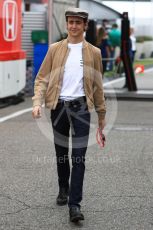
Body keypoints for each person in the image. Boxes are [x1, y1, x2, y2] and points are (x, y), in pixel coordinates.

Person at [32, 7, 106, 222]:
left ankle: (75, 205)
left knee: (79, 158)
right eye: (70, 22)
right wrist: (37, 102)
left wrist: (101, 115)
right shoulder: (55, 49)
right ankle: (63, 186)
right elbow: (42, 78)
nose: (73, 26)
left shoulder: (94, 52)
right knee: (61, 153)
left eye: (78, 22)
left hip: (82, 108)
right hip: (59, 107)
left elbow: (99, 87)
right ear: (67, 25)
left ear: (85, 26)